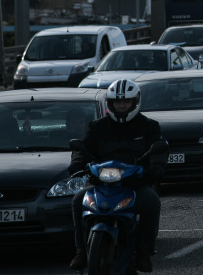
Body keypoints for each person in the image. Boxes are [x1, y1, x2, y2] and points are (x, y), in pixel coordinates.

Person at [69, 79, 167, 272]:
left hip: (135, 183)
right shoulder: (97, 126)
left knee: (151, 201)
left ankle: (144, 252)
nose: (121, 105)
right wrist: (77, 162)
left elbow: (159, 149)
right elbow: (83, 148)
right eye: (117, 102)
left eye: (126, 101)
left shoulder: (149, 126)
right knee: (77, 200)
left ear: (135, 102)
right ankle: (81, 251)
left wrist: (156, 167)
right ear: (110, 103)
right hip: (102, 183)